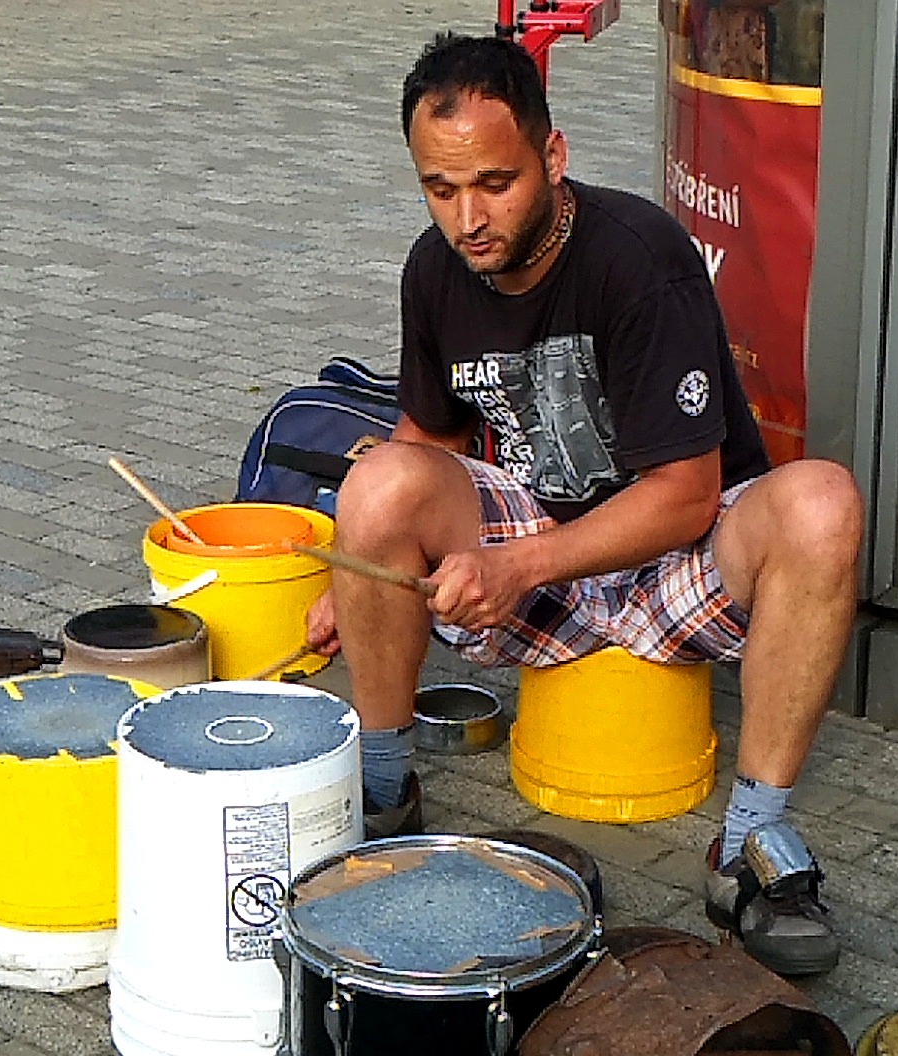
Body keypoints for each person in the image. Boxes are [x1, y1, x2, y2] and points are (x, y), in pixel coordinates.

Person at [303, 32, 862, 976]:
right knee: (378, 482)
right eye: (441, 189)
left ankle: (750, 845)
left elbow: (685, 498)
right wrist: (359, 574)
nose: (469, 218)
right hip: (538, 569)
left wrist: (514, 565)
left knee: (825, 501)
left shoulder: (641, 257)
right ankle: (385, 787)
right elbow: (427, 439)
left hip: (677, 569)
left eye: (496, 183)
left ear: (553, 157)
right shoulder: (434, 270)